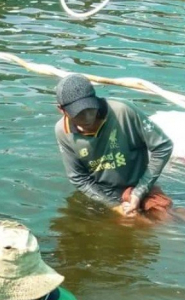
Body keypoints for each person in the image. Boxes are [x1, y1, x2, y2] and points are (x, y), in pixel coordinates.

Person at [54, 73, 174, 218]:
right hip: (102, 193)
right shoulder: (62, 131)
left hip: (139, 186)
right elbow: (78, 177)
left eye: (90, 109)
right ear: (62, 110)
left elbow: (163, 146)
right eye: (79, 114)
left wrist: (139, 192)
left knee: (167, 219)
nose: (87, 118)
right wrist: (113, 206)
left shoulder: (123, 112)